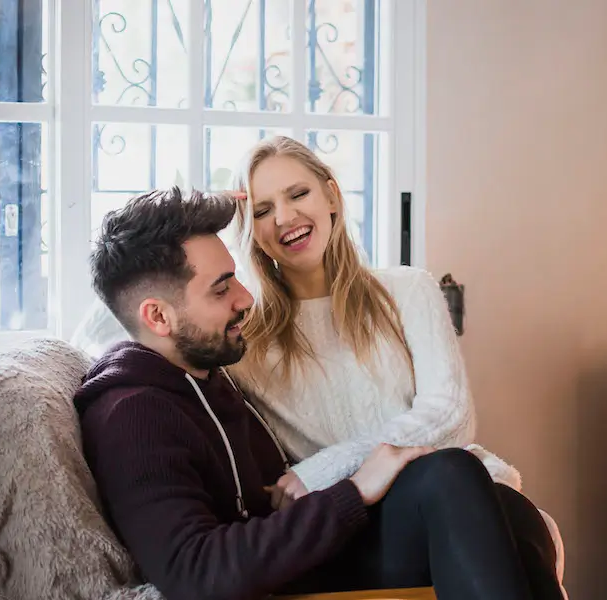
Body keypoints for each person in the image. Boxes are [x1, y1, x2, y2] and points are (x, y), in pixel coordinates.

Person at [74, 187, 560, 600]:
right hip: (274, 581)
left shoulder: (201, 370)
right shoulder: (134, 415)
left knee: (499, 502)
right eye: (221, 289)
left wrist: (198, 208)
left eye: (236, 277)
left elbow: (127, 301)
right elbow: (194, 572)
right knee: (450, 477)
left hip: (302, 552)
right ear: (157, 317)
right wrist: (353, 491)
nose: (244, 298)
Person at [227, 135, 566, 598]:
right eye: (262, 210)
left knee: (496, 501)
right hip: (352, 529)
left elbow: (451, 417)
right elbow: (127, 327)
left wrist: (319, 470)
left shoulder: (406, 290)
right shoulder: (244, 335)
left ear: (331, 196)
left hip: (447, 494)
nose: (285, 217)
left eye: (298, 194)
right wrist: (201, 217)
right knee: (487, 498)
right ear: (249, 229)